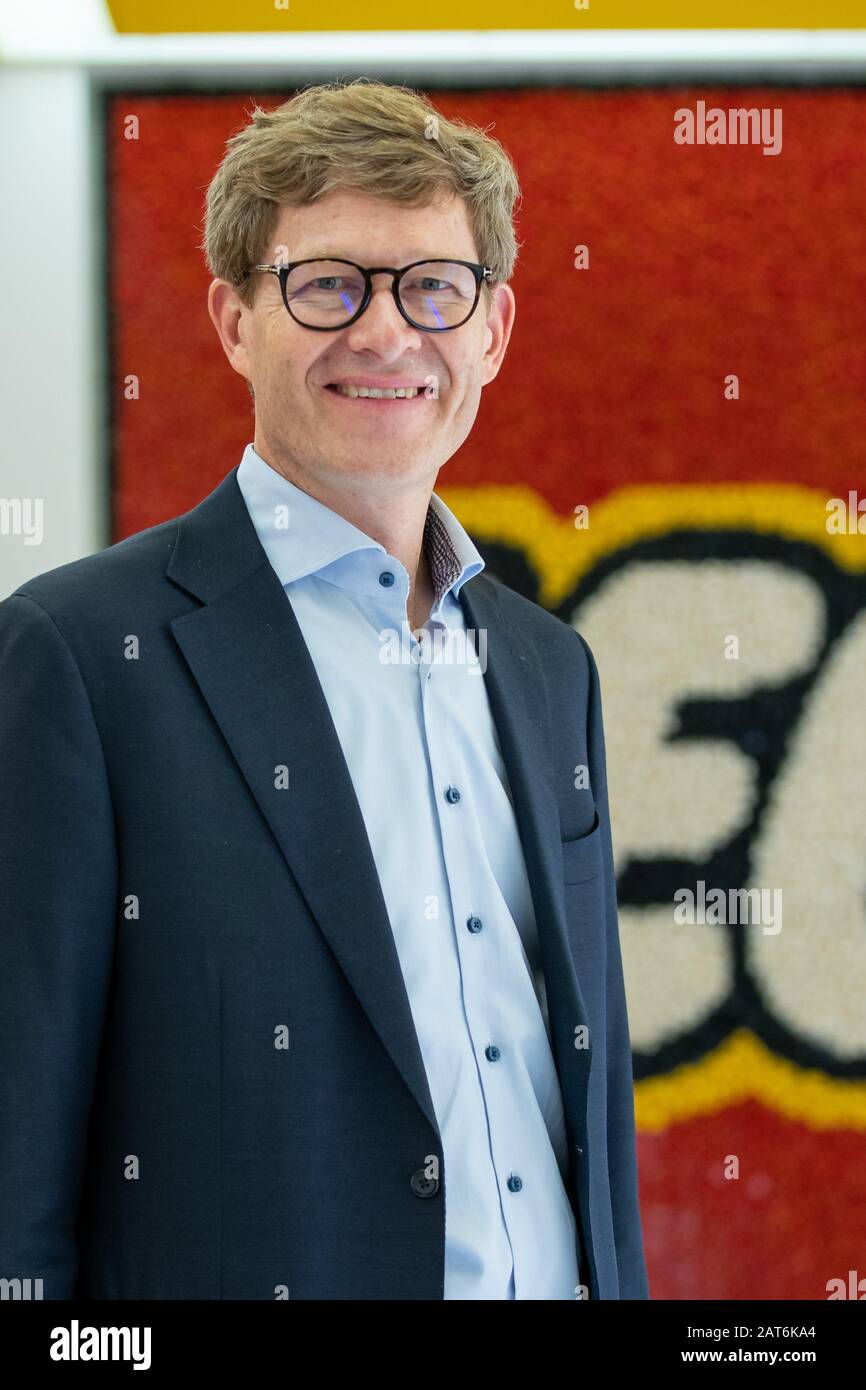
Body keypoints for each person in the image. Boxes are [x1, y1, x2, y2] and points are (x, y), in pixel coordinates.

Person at [0, 78, 649, 1300]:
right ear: (234, 319)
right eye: (326, 285)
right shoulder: (78, 655)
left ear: (492, 329)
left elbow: (577, 1090)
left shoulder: (546, 665)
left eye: (432, 288)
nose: (386, 334)